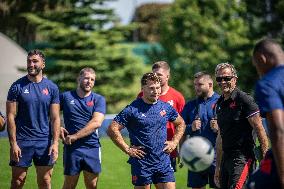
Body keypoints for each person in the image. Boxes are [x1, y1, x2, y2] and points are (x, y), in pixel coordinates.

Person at [107, 72, 186, 189]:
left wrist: (174, 142)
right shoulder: (132, 109)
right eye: (151, 88)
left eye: (158, 88)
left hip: (163, 161)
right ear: (142, 88)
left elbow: (181, 123)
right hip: (142, 164)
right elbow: (112, 129)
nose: (156, 91)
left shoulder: (165, 107)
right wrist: (127, 149)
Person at [6, 49, 60, 189]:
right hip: (22, 140)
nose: (31, 64)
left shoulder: (52, 88)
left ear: (43, 64)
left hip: (44, 141)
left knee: (45, 181)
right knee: (18, 180)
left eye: (35, 61)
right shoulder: (16, 86)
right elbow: (11, 116)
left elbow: (55, 118)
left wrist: (55, 143)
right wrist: (13, 144)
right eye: (29, 61)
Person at [213, 62, 269, 189]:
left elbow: (260, 129)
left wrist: (265, 160)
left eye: (227, 78)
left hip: (242, 158)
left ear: (234, 79)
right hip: (226, 159)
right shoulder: (220, 103)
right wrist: (217, 167)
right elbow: (220, 137)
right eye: (219, 79)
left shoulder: (244, 100)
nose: (223, 82)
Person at [246, 38, 284, 189]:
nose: (258, 72)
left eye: (257, 67)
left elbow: (278, 131)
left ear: (262, 59)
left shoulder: (268, 83)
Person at [60, 67, 106, 189]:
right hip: (72, 148)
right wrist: (58, 127)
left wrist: (75, 136)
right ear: (79, 78)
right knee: (69, 185)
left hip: (92, 147)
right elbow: (49, 113)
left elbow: (96, 122)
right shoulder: (65, 97)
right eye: (86, 78)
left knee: (92, 186)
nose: (89, 81)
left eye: (92, 79)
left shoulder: (98, 99)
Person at [138, 61, 185, 171]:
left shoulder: (177, 97)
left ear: (168, 76)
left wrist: (180, 148)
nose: (156, 77)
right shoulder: (142, 95)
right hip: (146, 151)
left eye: (159, 75)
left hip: (167, 150)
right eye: (154, 74)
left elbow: (181, 125)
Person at [181, 72, 219, 189]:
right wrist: (190, 128)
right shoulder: (190, 105)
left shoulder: (222, 103)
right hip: (195, 156)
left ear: (210, 84)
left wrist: (219, 128)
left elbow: (232, 129)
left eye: (200, 84)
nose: (196, 87)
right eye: (195, 85)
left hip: (217, 157)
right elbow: (180, 129)